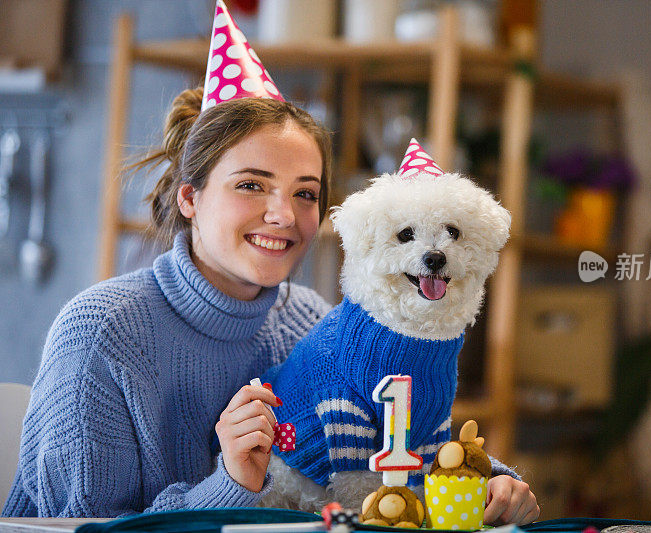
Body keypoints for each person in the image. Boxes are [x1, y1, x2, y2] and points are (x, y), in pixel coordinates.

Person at [2, 0, 538, 522]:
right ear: (190, 198)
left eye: (305, 193)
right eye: (251, 185)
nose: (283, 215)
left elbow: (391, 445)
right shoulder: (101, 334)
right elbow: (77, 528)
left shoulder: (309, 317)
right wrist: (231, 484)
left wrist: (488, 477)